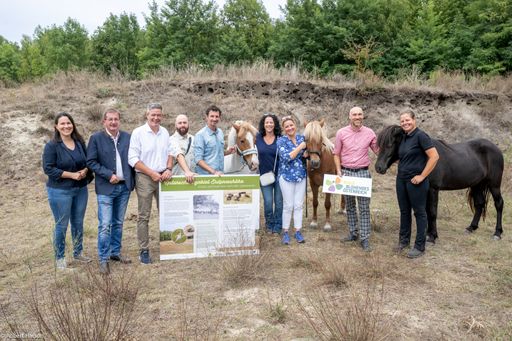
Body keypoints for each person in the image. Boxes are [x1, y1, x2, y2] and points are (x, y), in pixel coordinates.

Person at [128, 103, 186, 264]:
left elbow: (170, 152)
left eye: (158, 115)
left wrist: (168, 168)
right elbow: (133, 158)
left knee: (167, 213)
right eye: (153, 114)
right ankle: (144, 250)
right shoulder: (138, 133)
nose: (155, 118)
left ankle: (170, 244)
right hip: (145, 178)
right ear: (147, 115)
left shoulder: (164, 132)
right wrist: (151, 173)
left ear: (162, 116)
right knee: (144, 216)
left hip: (164, 177)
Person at [87, 109, 135, 274]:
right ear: (104, 122)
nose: (113, 122)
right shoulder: (96, 139)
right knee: (105, 225)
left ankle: (115, 252)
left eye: (116, 119)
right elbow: (91, 162)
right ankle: (103, 259)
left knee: (119, 222)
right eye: (110, 120)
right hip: (106, 188)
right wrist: (108, 175)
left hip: (124, 187)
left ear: (119, 121)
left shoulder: (128, 137)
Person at [42, 112, 92, 270]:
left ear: (73, 124)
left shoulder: (79, 141)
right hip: (60, 191)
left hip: (81, 189)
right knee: (61, 225)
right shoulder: (52, 146)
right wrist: (71, 175)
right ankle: (60, 258)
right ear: (56, 126)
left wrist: (84, 171)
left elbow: (88, 160)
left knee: (78, 223)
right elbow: (48, 168)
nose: (66, 126)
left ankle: (78, 253)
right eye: (62, 124)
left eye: (68, 123)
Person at [333, 106, 379, 252]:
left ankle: (364, 238)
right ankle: (353, 233)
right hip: (346, 173)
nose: (357, 117)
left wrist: (394, 158)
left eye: (360, 114)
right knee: (350, 206)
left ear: (363, 116)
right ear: (349, 116)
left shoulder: (370, 133)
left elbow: (378, 151)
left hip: (363, 173)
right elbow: (336, 153)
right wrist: (339, 171)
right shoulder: (341, 133)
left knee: (364, 208)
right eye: (354, 115)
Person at [395, 110, 439, 258]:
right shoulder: (404, 137)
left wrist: (422, 176)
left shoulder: (421, 136)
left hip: (416, 182)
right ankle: (404, 241)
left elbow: (434, 157)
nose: (405, 123)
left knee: (419, 212)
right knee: (404, 211)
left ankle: (420, 246)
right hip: (401, 180)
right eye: (402, 121)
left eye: (407, 120)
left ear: (414, 120)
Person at [277, 116, 307, 245]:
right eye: (287, 126)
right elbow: (287, 157)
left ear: (295, 125)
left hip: (301, 176)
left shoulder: (302, 138)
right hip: (286, 177)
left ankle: (297, 231)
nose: (290, 128)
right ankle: (285, 232)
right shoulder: (281, 141)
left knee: (298, 205)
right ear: (284, 129)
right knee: (288, 205)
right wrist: (301, 148)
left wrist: (306, 152)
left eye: (291, 125)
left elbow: (307, 154)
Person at [255, 113, 283, 234]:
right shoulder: (257, 138)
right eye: (267, 122)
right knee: (267, 202)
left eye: (271, 122)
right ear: (263, 124)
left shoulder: (281, 139)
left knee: (278, 202)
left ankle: (278, 225)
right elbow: (246, 145)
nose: (269, 124)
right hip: (264, 176)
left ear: (275, 124)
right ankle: (269, 223)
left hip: (279, 176)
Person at [193, 105, 235, 176]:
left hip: (220, 175)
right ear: (207, 117)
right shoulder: (200, 135)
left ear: (219, 118)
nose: (214, 119)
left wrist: (228, 152)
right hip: (205, 178)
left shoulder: (220, 133)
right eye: (212, 116)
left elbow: (216, 153)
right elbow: (198, 160)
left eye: (216, 116)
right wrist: (214, 172)